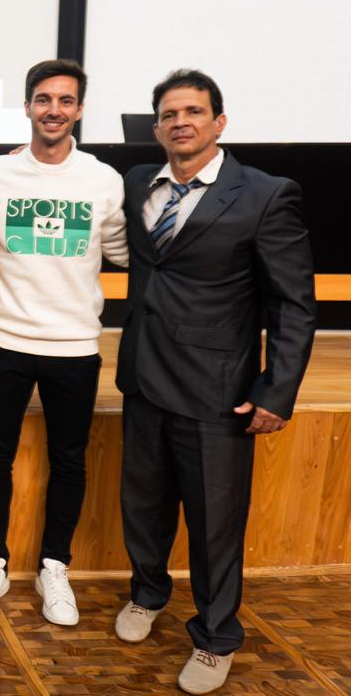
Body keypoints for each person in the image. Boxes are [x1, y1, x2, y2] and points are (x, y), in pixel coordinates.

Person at [114, 69, 315, 694]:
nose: (182, 122)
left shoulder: (265, 194)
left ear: (219, 122)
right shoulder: (136, 183)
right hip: (144, 379)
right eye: (170, 113)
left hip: (217, 392)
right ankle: (148, 593)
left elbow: (293, 305)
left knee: (215, 523)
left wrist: (276, 390)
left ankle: (217, 635)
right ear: (156, 128)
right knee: (142, 509)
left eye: (194, 111)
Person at [0, 60, 127, 626]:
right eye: (42, 99)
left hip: (75, 345)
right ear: (28, 107)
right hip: (4, 339)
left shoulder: (104, 180)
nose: (53, 109)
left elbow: (123, 252)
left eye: (65, 100)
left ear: (79, 109)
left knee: (69, 460)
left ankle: (55, 567)